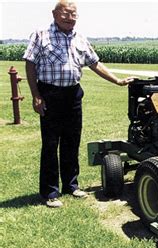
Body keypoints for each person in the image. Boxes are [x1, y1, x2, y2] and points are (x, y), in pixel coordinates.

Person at [23, 0, 135, 208]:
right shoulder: (41, 34)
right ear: (55, 14)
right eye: (66, 13)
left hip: (73, 96)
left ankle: (71, 186)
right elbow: (30, 64)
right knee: (50, 145)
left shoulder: (80, 37)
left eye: (74, 14)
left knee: (71, 142)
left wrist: (117, 81)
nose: (70, 17)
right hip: (49, 94)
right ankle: (50, 192)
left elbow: (95, 63)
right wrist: (36, 95)